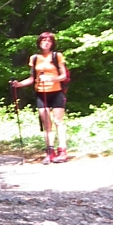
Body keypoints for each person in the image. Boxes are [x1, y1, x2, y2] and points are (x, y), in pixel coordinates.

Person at [12, 31, 69, 164]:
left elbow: (63, 76)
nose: (46, 42)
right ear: (39, 42)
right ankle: (50, 152)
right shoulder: (34, 58)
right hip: (40, 93)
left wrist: (51, 78)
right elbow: (32, 78)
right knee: (46, 123)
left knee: (58, 121)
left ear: (52, 43)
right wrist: (18, 84)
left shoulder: (57, 56)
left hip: (56, 92)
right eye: (43, 40)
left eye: (49, 40)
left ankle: (62, 151)